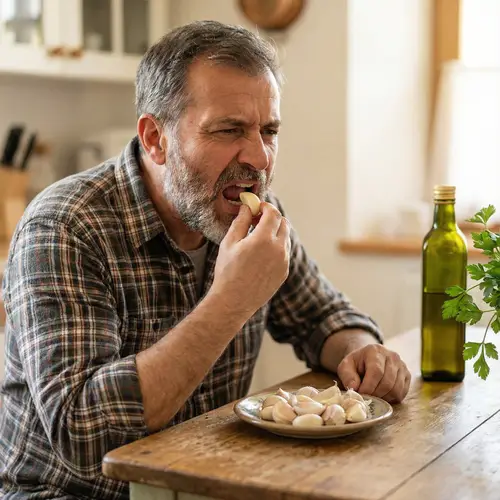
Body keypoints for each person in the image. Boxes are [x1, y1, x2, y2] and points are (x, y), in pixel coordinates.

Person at [0, 20, 411, 500]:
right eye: (229, 130)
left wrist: (362, 351)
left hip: (199, 483)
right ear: (156, 138)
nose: (259, 158)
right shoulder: (64, 227)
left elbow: (322, 316)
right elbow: (83, 431)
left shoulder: (249, 212)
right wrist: (231, 300)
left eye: (270, 130)